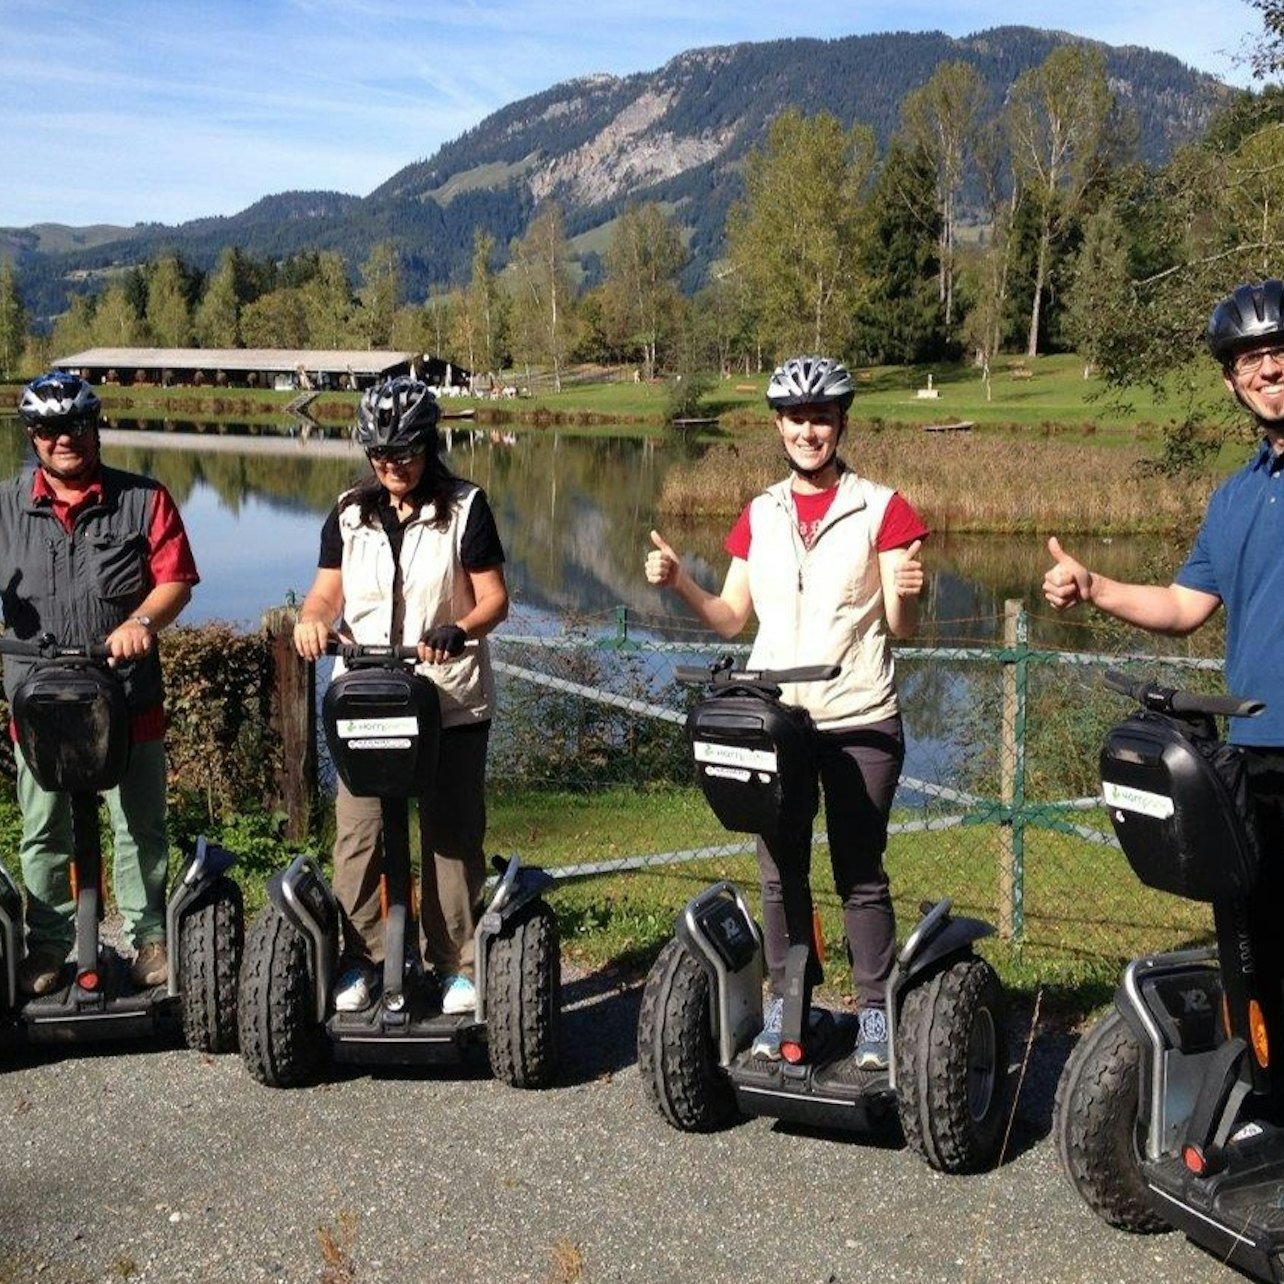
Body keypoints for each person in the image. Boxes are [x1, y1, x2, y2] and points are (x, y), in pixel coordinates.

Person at [645, 355, 927, 1068]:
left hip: (858, 714)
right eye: (796, 418)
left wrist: (908, 592)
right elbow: (731, 618)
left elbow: (903, 627)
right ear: (778, 425)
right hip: (776, 723)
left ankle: (874, 1012)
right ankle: (787, 1004)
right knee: (779, 871)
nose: (808, 431)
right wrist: (681, 582)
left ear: (841, 422)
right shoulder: (760, 512)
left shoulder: (883, 508)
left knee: (859, 870)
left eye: (821, 418)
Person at [1044, 278, 1284, 864]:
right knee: (1255, 914)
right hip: (1252, 746)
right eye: (1250, 358)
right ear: (1230, 380)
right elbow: (1183, 606)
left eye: (1281, 351)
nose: (1270, 369)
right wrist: (1095, 586)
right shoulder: (1234, 497)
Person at [293, 375, 509, 1016]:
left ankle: (454, 965)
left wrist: (459, 628)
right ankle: (364, 959)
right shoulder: (348, 512)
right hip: (367, 697)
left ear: (429, 445)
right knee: (358, 837)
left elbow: (495, 599)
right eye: (381, 454)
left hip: (447, 699)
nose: (392, 466)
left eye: (406, 453)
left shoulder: (466, 507)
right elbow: (326, 592)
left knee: (451, 838)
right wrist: (312, 620)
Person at [5, 371, 200, 995]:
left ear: (96, 428)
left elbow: (175, 580)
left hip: (127, 697)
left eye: (75, 425)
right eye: (49, 428)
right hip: (39, 706)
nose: (63, 438)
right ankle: (48, 946)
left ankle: (149, 939)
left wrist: (141, 622)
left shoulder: (143, 499)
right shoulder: (6, 507)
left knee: (139, 825)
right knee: (43, 829)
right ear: (33, 436)